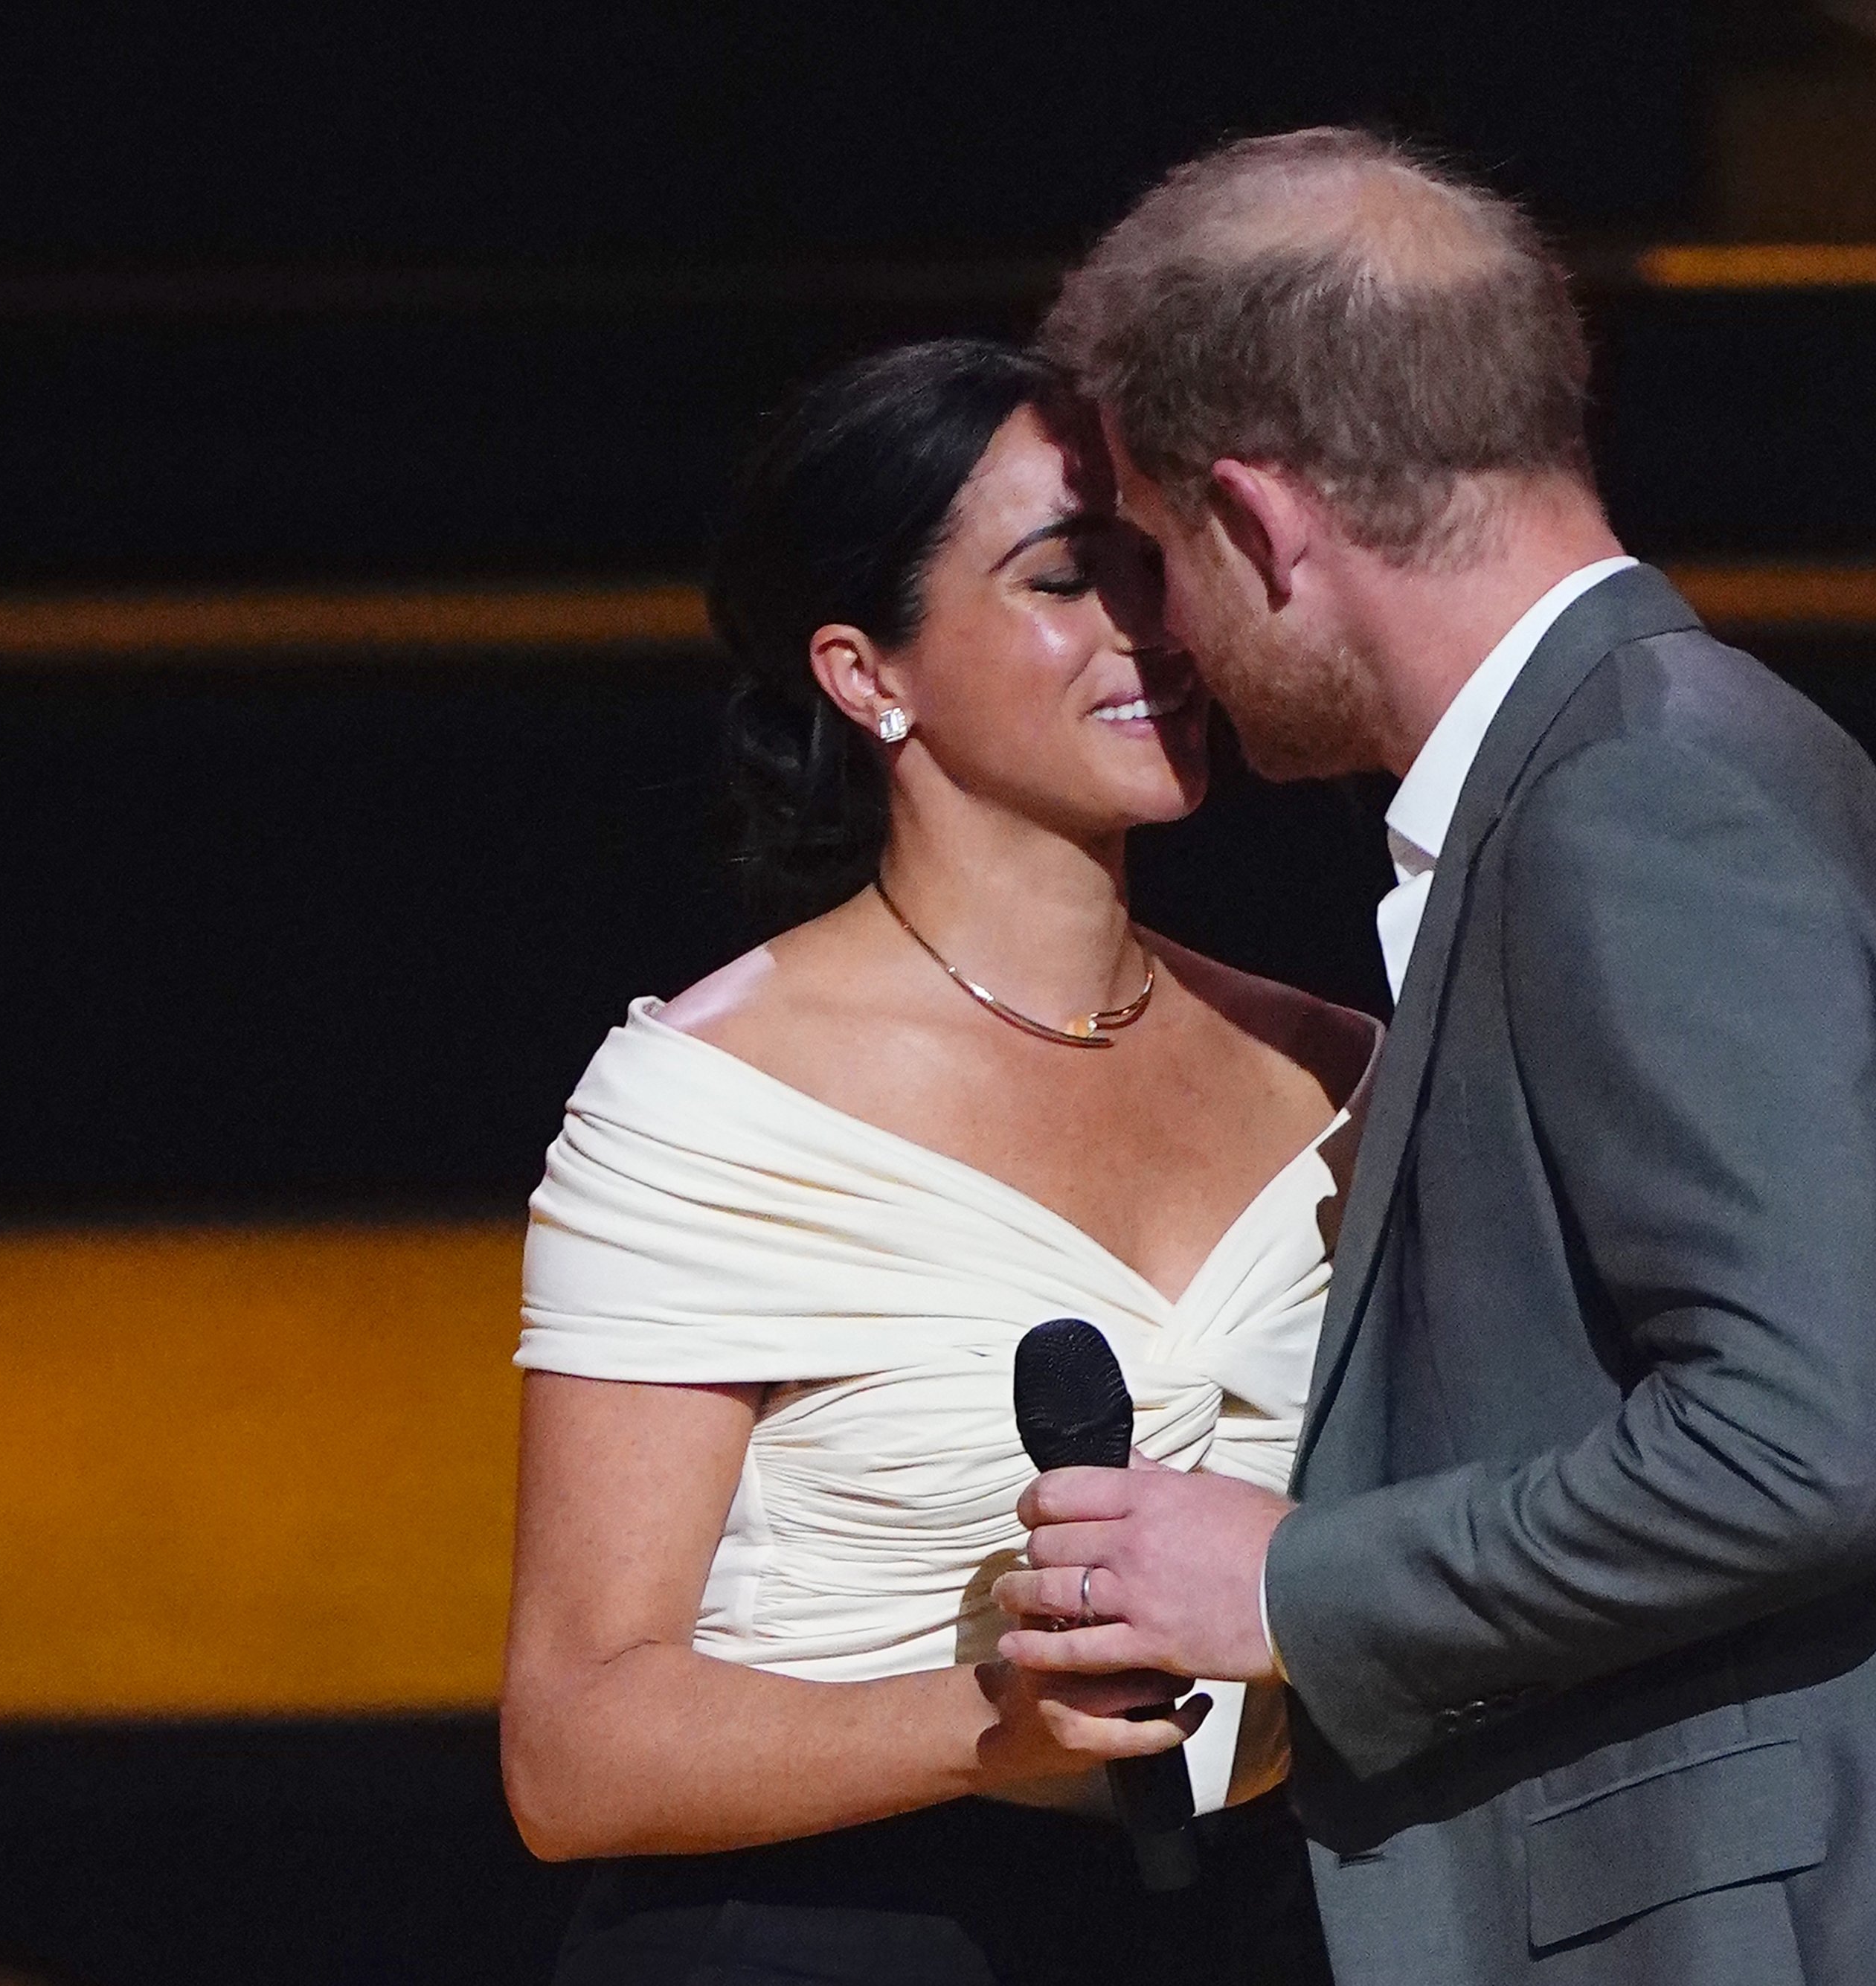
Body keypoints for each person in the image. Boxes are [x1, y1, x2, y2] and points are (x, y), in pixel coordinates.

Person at [998, 129, 1876, 1985]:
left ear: (1264, 525)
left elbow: (1793, 1445)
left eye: (1151, 554)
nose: (1157, 630)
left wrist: (1278, 1582)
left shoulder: (1632, 815)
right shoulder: (1734, 759)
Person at [501, 338, 1373, 1986]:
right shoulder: (711, 1101)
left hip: (1251, 1929)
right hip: (825, 1934)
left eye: (1151, 564)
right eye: (1062, 576)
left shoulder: (1336, 1067)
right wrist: (986, 1729)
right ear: (863, 672)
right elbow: (569, 1749)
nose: (1145, 625)